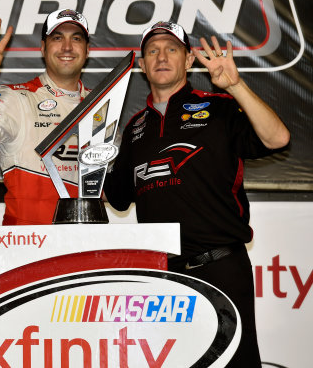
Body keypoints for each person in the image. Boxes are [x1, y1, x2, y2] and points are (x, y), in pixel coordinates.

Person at [103, 21, 290, 366]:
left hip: (220, 266)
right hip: (164, 276)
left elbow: (277, 139)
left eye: (172, 49)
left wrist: (236, 86)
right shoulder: (133, 129)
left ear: (189, 60)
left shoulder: (220, 107)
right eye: (152, 51)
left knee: (235, 362)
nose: (162, 56)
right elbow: (115, 196)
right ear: (141, 65)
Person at [0, 9, 91, 225]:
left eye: (76, 38)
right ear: (43, 48)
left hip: (85, 242)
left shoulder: (102, 105)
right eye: (57, 38)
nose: (67, 47)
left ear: (87, 51)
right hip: (27, 243)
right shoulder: (17, 98)